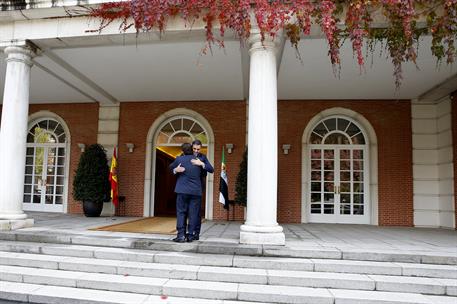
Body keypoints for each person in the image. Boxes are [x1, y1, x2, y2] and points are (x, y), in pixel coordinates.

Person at [169, 143, 210, 242]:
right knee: (193, 214)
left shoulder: (179, 159)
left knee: (181, 212)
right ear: (192, 149)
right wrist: (202, 165)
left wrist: (175, 169)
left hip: (182, 191)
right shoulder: (198, 160)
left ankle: (181, 235)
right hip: (196, 191)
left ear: (182, 151)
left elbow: (170, 167)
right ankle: (190, 235)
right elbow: (205, 173)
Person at [191, 139, 214, 240]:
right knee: (187, 211)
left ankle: (196, 233)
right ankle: (188, 232)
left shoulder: (202, 157)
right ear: (192, 148)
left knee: (196, 211)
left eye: (198, 149)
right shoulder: (187, 156)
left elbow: (211, 169)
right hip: (187, 187)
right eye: (194, 149)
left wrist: (202, 164)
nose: (196, 151)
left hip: (199, 187)